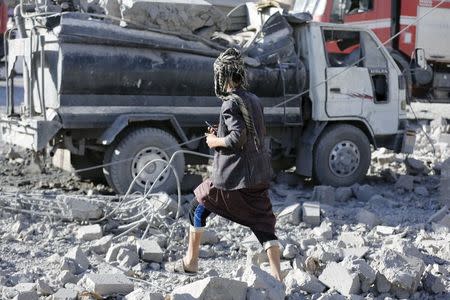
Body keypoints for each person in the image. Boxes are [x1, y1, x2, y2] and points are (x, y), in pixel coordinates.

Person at [173, 48, 282, 281]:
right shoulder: (253, 99)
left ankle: (190, 262)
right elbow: (248, 133)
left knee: (197, 206)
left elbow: (237, 138)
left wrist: (213, 140)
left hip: (235, 179)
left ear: (223, 76)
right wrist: (220, 131)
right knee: (263, 223)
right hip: (259, 175)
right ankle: (277, 276)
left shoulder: (230, 103)